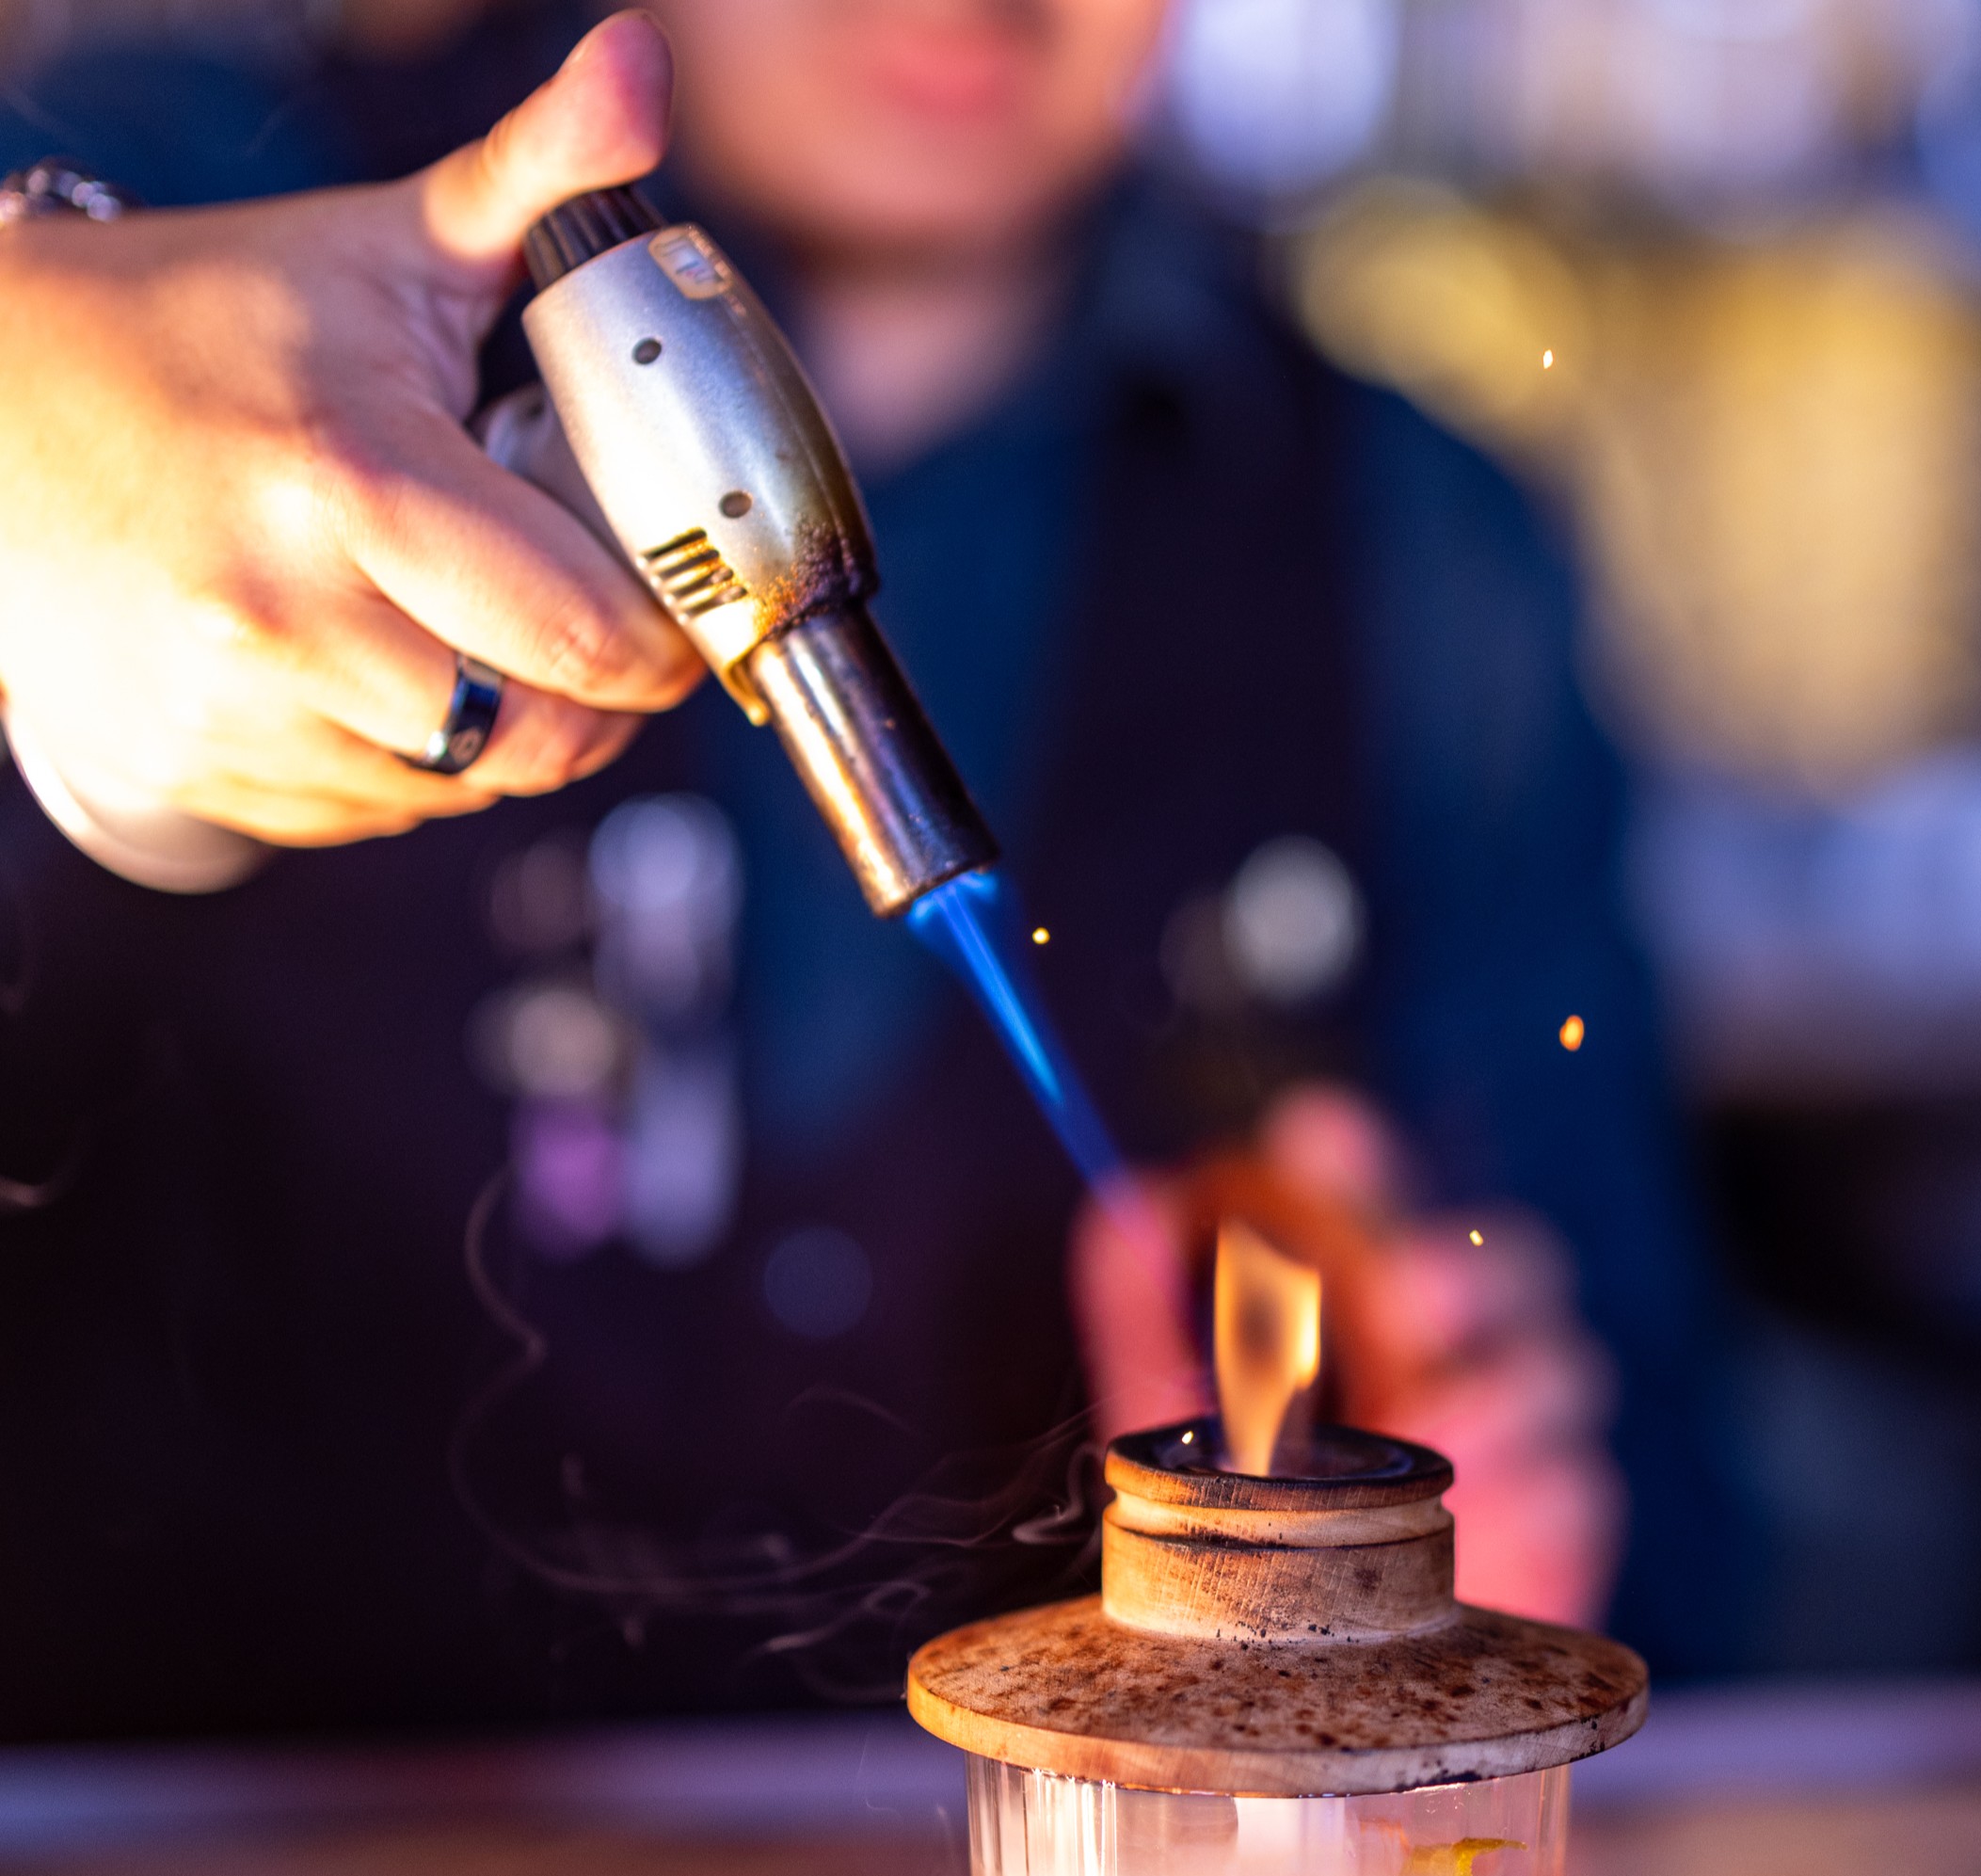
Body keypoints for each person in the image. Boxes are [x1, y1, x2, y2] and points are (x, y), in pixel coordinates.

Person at [0, 4, 1748, 1738]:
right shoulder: (205, 193)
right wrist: (43, 375)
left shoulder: (1417, 541)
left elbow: (1652, 1465)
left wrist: (1420, 1619)